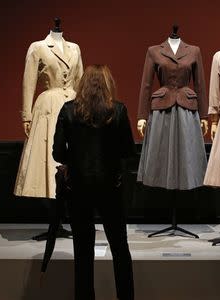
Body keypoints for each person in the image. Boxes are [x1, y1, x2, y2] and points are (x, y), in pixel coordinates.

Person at [53, 64, 135, 300]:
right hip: (111, 187)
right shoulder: (118, 111)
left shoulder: (68, 110)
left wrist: (74, 159)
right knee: (120, 249)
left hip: (79, 188)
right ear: (108, 84)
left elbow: (58, 153)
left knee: (83, 252)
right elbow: (128, 151)